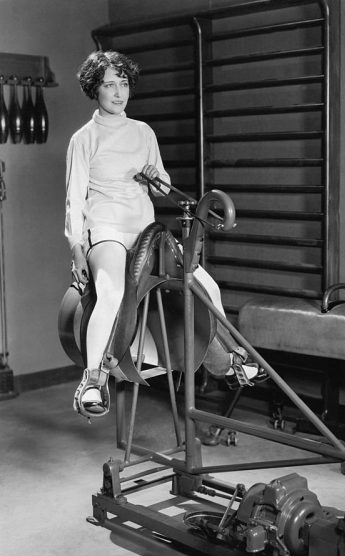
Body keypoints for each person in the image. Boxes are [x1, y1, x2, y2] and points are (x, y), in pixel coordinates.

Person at [65, 50, 266, 420]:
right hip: (106, 230)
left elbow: (162, 188)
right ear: (95, 89)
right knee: (112, 292)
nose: (118, 92)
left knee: (207, 286)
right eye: (109, 84)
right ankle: (92, 380)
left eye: (123, 84)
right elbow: (74, 199)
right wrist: (78, 249)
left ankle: (233, 359)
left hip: (145, 231)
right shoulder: (84, 138)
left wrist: (152, 178)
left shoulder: (143, 132)